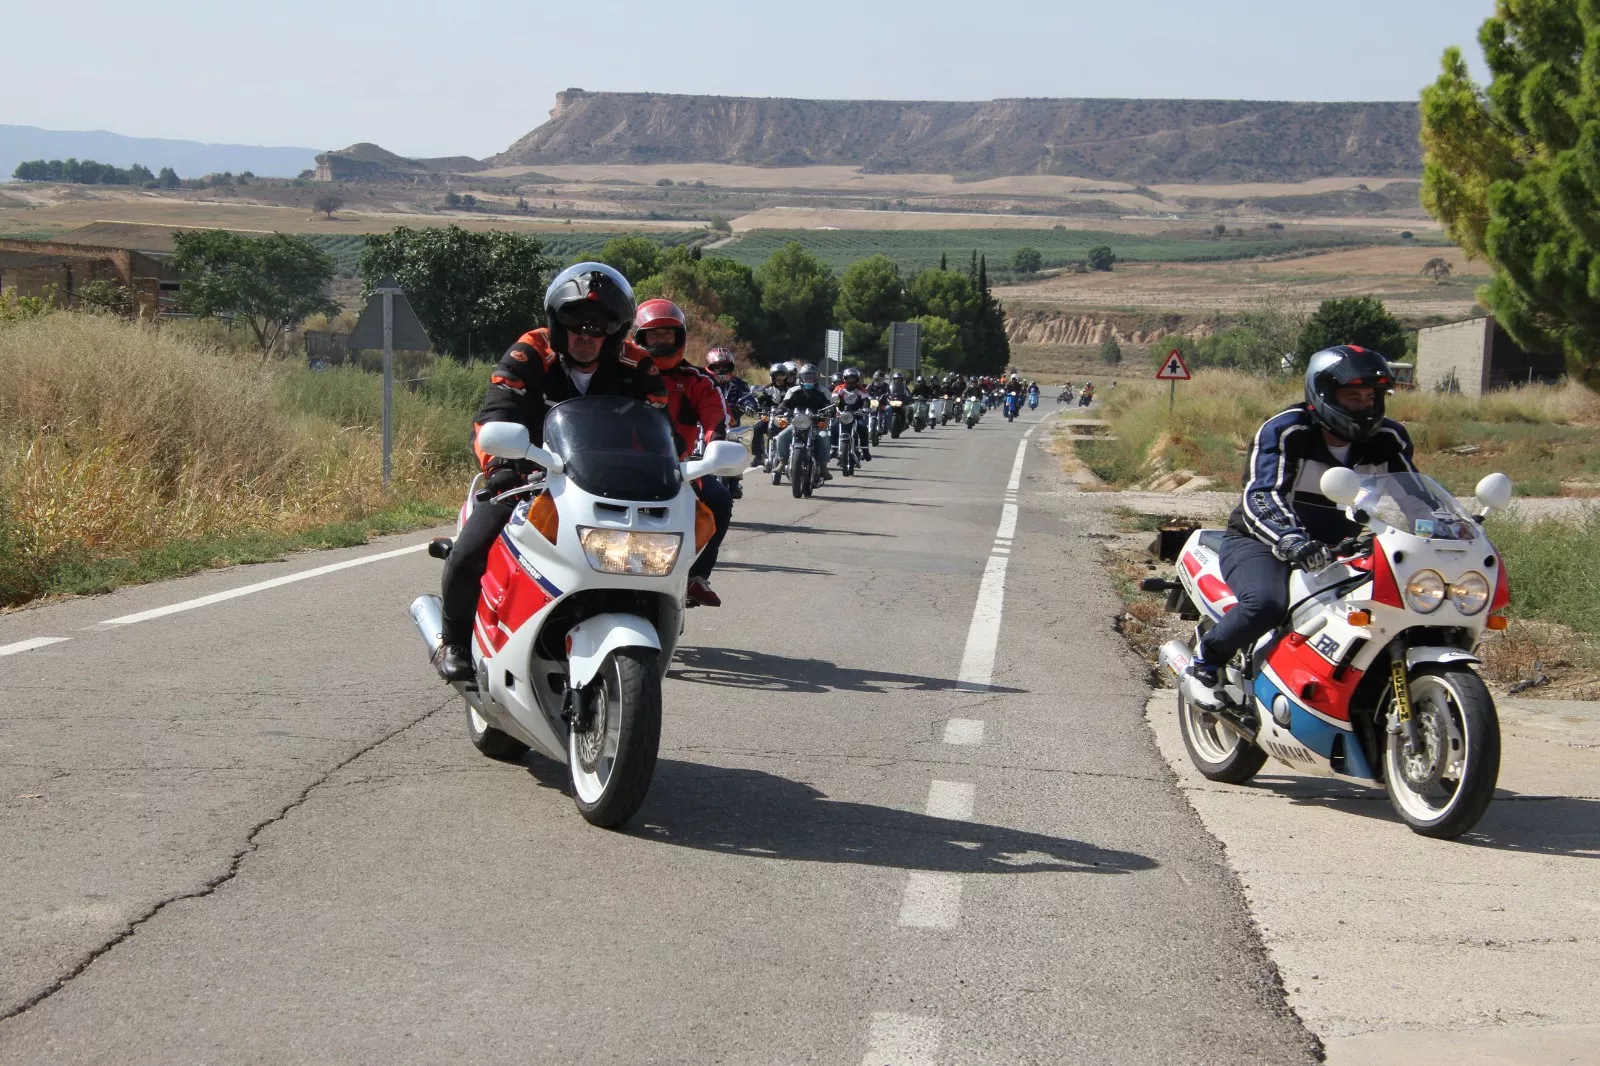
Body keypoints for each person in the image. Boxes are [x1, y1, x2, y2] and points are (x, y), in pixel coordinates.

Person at [435, 262, 667, 681]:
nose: (584, 335)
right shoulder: (529, 351)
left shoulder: (640, 367)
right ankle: (453, 640)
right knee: (472, 549)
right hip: (529, 478)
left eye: (597, 327)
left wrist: (672, 473)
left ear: (614, 331)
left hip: (607, 488)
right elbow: (497, 410)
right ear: (557, 322)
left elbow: (660, 431)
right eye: (574, 322)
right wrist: (502, 466)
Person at [1185, 346, 1415, 710]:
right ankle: (1206, 662)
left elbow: (1413, 495)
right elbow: (1260, 496)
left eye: (1370, 396)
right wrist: (1291, 540)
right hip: (1261, 540)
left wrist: (1450, 533)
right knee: (1266, 604)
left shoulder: (1389, 438)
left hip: (1340, 547)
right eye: (1352, 396)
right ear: (1324, 394)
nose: (1364, 405)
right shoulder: (1286, 430)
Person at [633, 298, 732, 608]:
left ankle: (695, 575)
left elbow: (716, 420)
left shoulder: (698, 382)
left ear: (680, 338)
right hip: (616, 469)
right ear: (640, 338)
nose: (661, 341)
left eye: (668, 334)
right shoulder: (621, 375)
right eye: (654, 335)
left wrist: (715, 446)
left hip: (676, 471)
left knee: (719, 499)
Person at [771, 363, 833, 480]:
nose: (809, 379)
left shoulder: (823, 391)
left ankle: (823, 467)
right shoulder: (793, 391)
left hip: (815, 424)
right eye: (806, 377)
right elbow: (785, 404)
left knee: (824, 437)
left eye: (811, 377)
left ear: (817, 378)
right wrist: (779, 410)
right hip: (796, 423)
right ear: (801, 378)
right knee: (781, 437)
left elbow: (829, 405)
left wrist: (830, 410)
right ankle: (782, 462)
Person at [749, 361, 794, 467]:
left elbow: (794, 403)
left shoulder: (791, 390)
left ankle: (793, 455)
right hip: (770, 417)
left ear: (786, 377)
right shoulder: (767, 389)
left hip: (785, 419)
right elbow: (760, 402)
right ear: (772, 377)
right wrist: (758, 407)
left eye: (782, 376)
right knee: (756, 428)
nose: (779, 379)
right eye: (776, 376)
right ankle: (758, 455)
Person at [832, 366, 873, 461]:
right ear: (845, 379)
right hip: (842, 414)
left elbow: (866, 400)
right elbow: (834, 399)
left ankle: (865, 449)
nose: (851, 381)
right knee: (834, 425)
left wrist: (866, 408)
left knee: (863, 426)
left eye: (853, 378)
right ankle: (834, 448)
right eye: (849, 378)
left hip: (856, 414)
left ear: (857, 379)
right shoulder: (838, 388)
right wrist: (833, 407)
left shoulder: (861, 389)